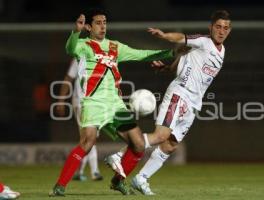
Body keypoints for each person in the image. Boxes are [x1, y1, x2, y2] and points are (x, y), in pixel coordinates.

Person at [49, 8, 174, 196]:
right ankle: (60, 186)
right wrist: (76, 32)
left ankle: (118, 181)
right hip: (92, 102)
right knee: (87, 141)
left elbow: (142, 54)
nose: (103, 26)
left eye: (105, 22)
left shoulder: (115, 47)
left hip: (115, 104)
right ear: (89, 27)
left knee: (138, 144)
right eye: (98, 23)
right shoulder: (83, 45)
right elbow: (69, 49)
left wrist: (170, 53)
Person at [106, 10, 232, 195]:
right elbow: (181, 39)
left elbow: (184, 56)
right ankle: (118, 155)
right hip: (179, 94)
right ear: (211, 27)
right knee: (160, 136)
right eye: (218, 27)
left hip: (194, 104)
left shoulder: (221, 52)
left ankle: (141, 179)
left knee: (171, 144)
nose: (222, 31)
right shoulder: (204, 41)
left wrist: (167, 68)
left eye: (226, 28)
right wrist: (165, 36)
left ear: (230, 30)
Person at [56, 58, 103, 181]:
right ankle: (94, 171)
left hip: (96, 102)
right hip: (81, 102)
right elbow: (68, 78)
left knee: (88, 137)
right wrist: (61, 100)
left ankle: (80, 171)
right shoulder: (80, 58)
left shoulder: (103, 58)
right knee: (89, 137)